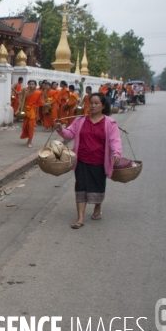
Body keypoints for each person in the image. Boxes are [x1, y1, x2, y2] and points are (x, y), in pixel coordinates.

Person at [54, 93, 122, 229]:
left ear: (103, 106)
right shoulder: (80, 120)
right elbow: (70, 134)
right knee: (80, 186)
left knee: (98, 186)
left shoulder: (109, 123)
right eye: (91, 103)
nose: (93, 105)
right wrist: (60, 129)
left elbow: (115, 140)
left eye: (97, 103)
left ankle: (97, 207)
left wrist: (116, 153)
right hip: (81, 160)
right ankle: (80, 218)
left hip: (99, 161)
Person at [20, 80, 44, 148]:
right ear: (28, 85)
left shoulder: (38, 93)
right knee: (25, 126)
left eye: (33, 84)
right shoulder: (26, 92)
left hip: (32, 111)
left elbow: (39, 104)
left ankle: (30, 141)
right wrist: (19, 110)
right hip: (26, 110)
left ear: (35, 85)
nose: (31, 85)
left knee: (31, 126)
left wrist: (37, 114)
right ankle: (28, 139)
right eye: (30, 84)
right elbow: (22, 102)